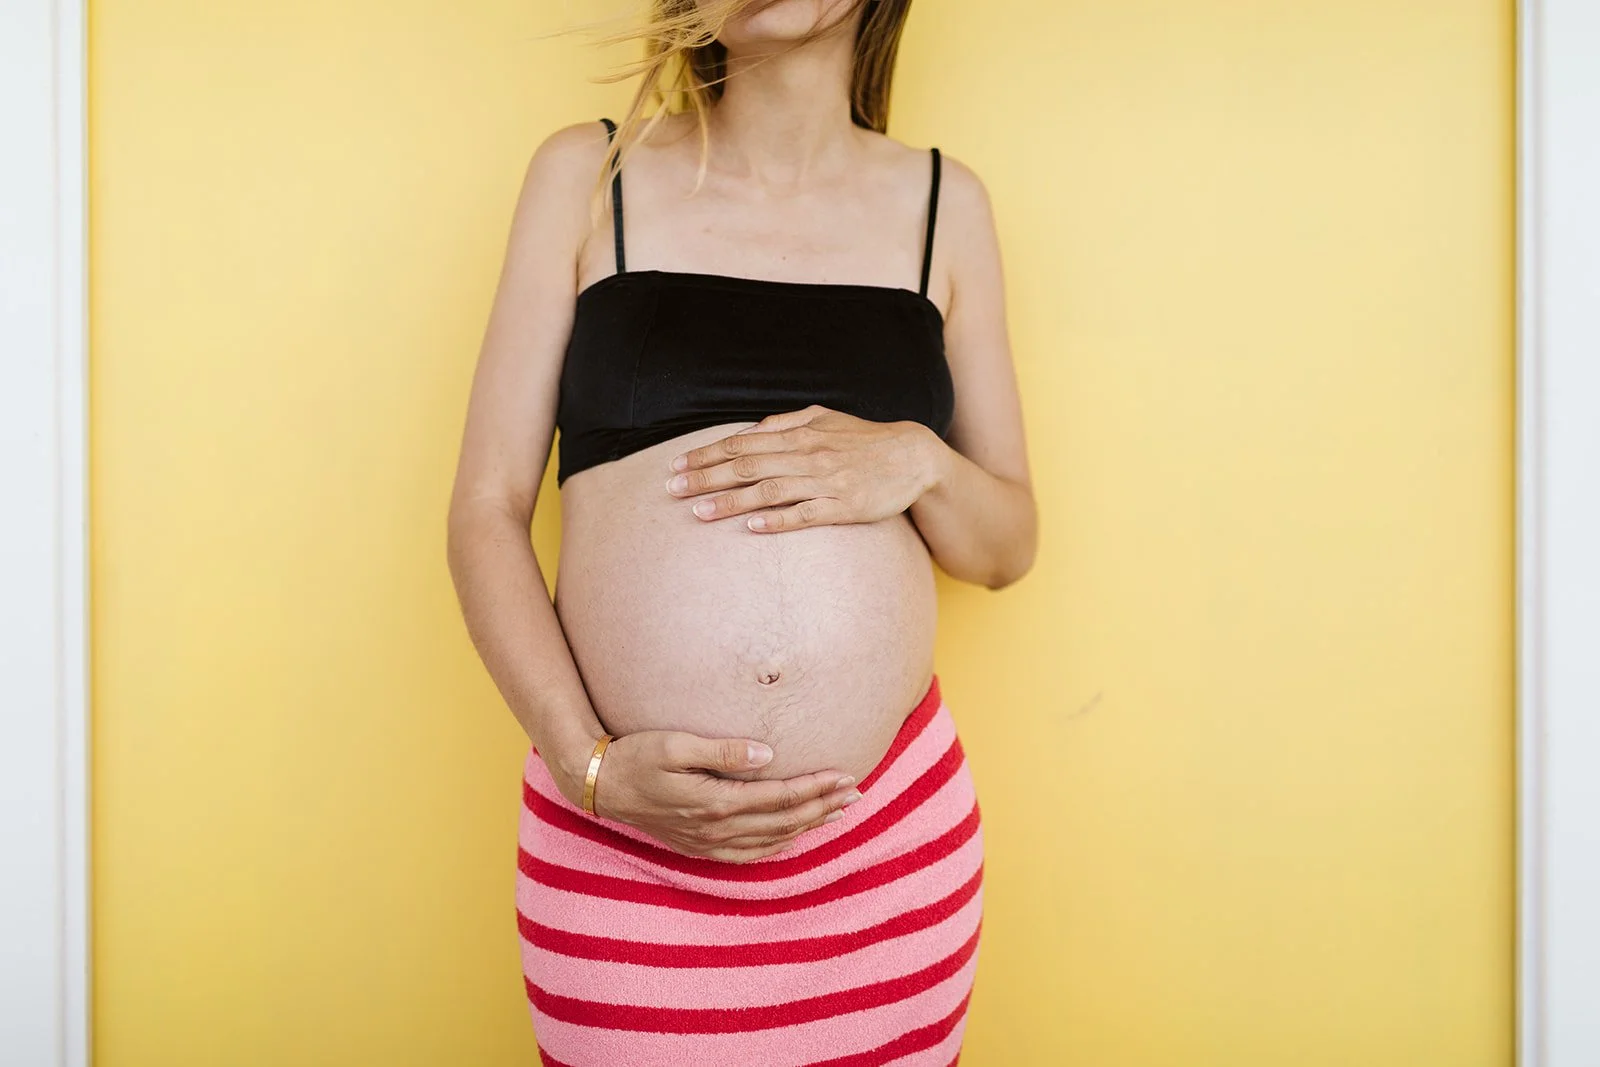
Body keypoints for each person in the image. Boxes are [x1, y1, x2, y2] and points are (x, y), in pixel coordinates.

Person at [446, 0, 1036, 1061]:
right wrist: (590, 768)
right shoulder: (590, 174)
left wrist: (919, 458)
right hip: (625, 844)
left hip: (881, 842)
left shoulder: (945, 204)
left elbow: (1004, 544)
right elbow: (486, 508)